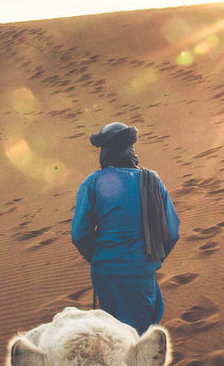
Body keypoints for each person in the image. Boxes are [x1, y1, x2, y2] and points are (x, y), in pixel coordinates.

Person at [70, 122, 180, 334]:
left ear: (107, 151)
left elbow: (79, 234)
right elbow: (172, 232)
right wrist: (153, 259)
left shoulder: (92, 183)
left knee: (114, 331)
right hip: (141, 269)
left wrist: (98, 257)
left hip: (105, 272)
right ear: (129, 149)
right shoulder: (152, 181)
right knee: (138, 334)